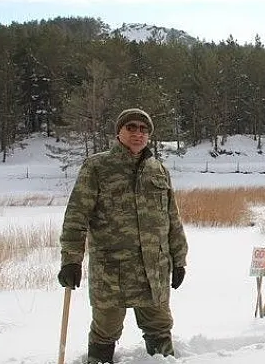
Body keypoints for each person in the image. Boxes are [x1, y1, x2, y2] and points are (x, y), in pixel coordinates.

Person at [57, 108, 188, 363]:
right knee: (105, 332)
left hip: (154, 270)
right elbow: (76, 216)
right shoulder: (97, 166)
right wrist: (71, 260)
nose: (138, 133)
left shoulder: (158, 170)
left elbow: (172, 218)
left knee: (160, 327)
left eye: (143, 129)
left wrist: (179, 259)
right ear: (119, 132)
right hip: (113, 271)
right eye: (132, 128)